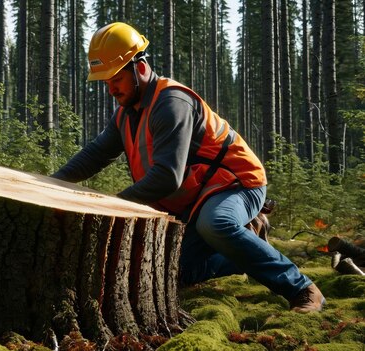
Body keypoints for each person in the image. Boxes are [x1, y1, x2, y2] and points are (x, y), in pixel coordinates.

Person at [51, 22, 325, 313]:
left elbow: (168, 176)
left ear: (139, 68)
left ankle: (301, 288)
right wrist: (50, 182)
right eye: (105, 81)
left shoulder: (171, 104)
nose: (111, 88)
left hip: (235, 184)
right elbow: (95, 154)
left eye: (115, 78)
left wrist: (115, 204)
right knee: (167, 272)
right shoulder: (126, 114)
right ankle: (247, 244)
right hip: (194, 200)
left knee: (216, 223)